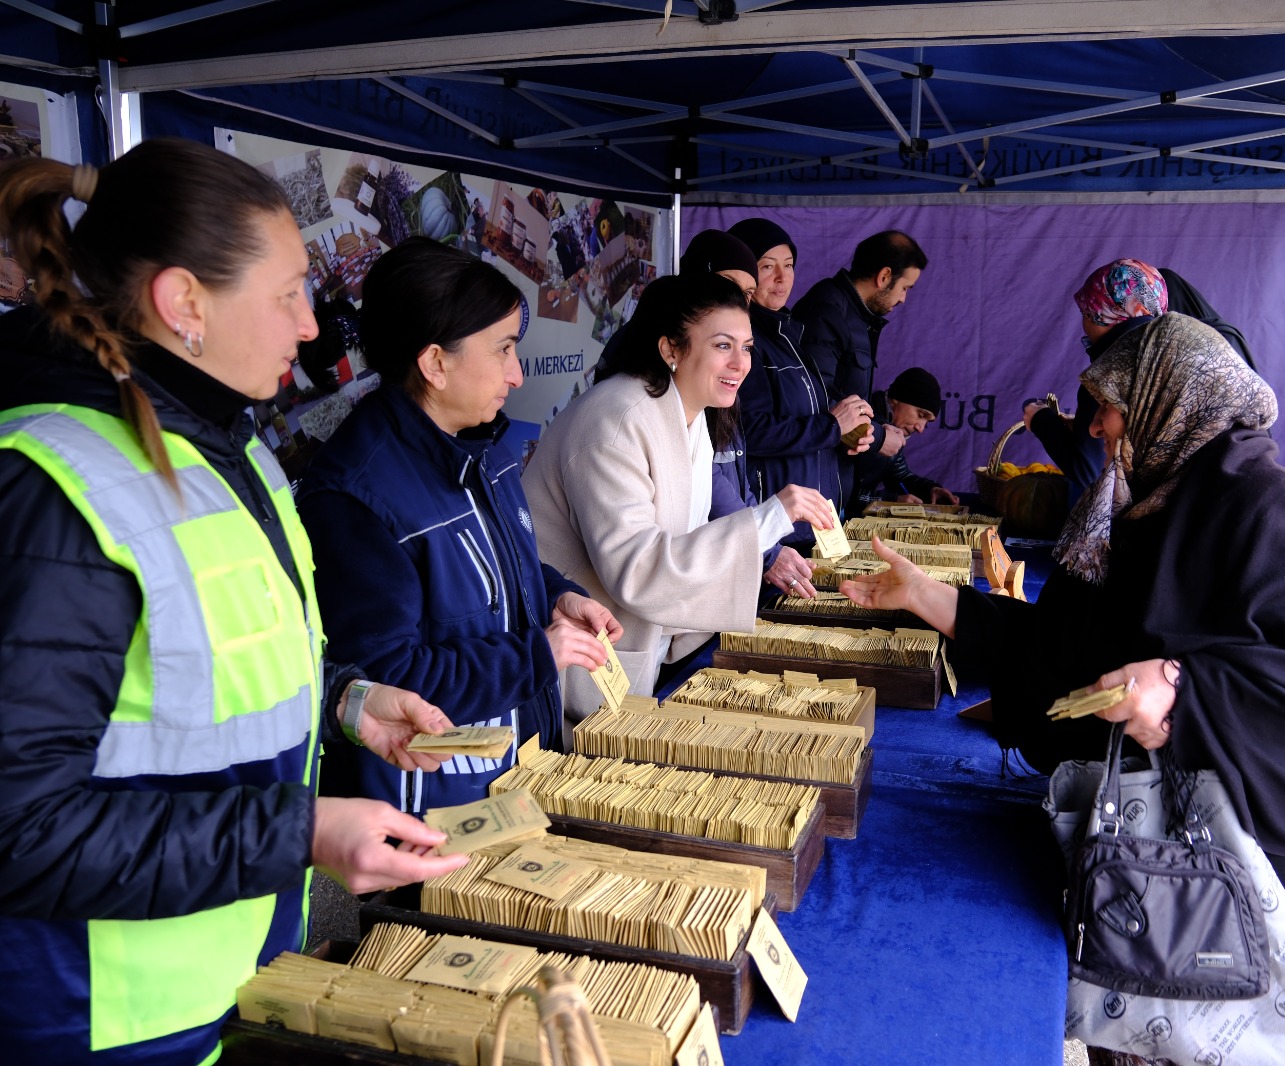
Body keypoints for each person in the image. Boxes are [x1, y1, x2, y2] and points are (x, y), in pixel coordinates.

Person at [0, 142, 470, 1064]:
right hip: (96, 1018)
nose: (309, 325)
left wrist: (347, 702)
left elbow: (197, 665)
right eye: (290, 292)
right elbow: (20, 826)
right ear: (185, 304)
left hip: (224, 977)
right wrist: (303, 831)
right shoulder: (54, 488)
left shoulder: (229, 443)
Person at [841, 313, 1285, 1066]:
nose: (1098, 426)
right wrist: (925, 597)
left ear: (1171, 401)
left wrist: (1185, 688)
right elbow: (1068, 656)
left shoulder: (1271, 513)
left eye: (1112, 404)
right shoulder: (1158, 508)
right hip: (1167, 883)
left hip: (1250, 884)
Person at [296, 238, 620, 811]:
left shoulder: (479, 443)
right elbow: (385, 678)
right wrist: (536, 656)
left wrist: (555, 597)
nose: (517, 375)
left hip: (514, 775)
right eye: (502, 351)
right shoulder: (357, 495)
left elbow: (491, 569)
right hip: (432, 811)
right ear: (435, 363)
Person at [523, 272, 834, 707]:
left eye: (746, 348)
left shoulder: (690, 416)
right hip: (571, 667)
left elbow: (683, 543)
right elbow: (639, 570)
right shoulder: (615, 420)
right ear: (670, 348)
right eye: (722, 345)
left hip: (631, 655)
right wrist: (769, 519)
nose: (741, 364)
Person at [728, 217, 874, 557]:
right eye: (768, 266)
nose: (782, 278)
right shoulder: (744, 342)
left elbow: (806, 415)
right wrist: (831, 427)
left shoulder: (790, 332)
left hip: (814, 525)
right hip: (776, 530)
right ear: (746, 275)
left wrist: (848, 432)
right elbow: (750, 431)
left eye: (789, 265)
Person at [1023, 258, 1167, 509]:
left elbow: (1088, 472)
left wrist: (1040, 420)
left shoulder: (1111, 369)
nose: (1084, 324)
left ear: (1106, 314)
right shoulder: (1167, 359)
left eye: (1087, 313)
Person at [792, 229, 925, 501]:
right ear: (884, 276)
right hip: (814, 479)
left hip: (833, 475)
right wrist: (876, 437)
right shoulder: (827, 309)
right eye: (905, 288)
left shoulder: (855, 315)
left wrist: (877, 427)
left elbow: (845, 398)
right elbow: (816, 399)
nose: (903, 299)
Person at [594, 228, 757, 378]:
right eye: (728, 285)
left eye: (748, 293)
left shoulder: (737, 354)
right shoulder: (643, 337)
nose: (740, 301)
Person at [849, 366, 959, 513]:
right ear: (897, 400)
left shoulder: (894, 427)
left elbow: (899, 476)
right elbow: (840, 493)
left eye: (928, 422)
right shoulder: (858, 422)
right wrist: (890, 501)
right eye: (921, 415)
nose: (920, 428)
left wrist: (930, 490)